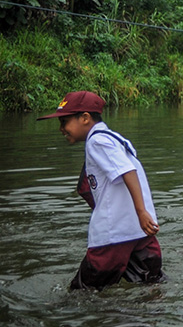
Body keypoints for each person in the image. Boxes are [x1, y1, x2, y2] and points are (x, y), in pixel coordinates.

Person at [38, 91, 164, 290]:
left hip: (113, 235)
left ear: (85, 118)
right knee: (150, 286)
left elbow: (127, 171)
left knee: (82, 295)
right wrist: (141, 214)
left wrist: (141, 212)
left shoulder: (97, 141)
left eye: (64, 122)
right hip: (139, 231)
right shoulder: (113, 138)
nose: (61, 129)